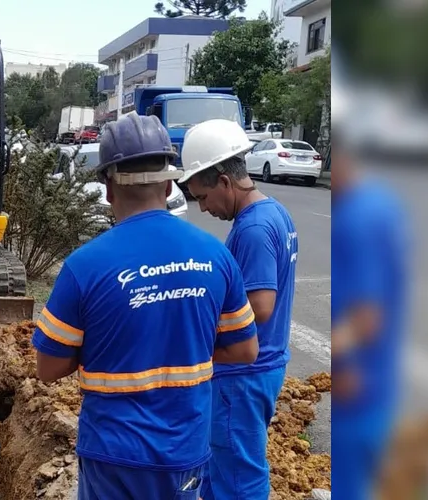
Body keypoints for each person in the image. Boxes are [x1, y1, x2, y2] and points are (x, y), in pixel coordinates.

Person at [32, 111, 260, 500]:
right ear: (170, 182)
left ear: (108, 188)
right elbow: (245, 349)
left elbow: (49, 368)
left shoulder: (84, 266)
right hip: (183, 450)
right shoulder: (215, 257)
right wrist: (184, 345)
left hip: (112, 454)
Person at [179, 119, 298, 500]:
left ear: (225, 182)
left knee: (239, 478)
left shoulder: (254, 228)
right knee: (222, 467)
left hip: (242, 373)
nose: (203, 207)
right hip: (259, 367)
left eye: (203, 196)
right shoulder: (273, 212)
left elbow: (260, 306)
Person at [329, 80, 409, 500]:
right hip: (375, 385)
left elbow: (366, 317)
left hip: (359, 387)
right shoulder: (376, 204)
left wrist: (337, 363)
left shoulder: (360, 216)